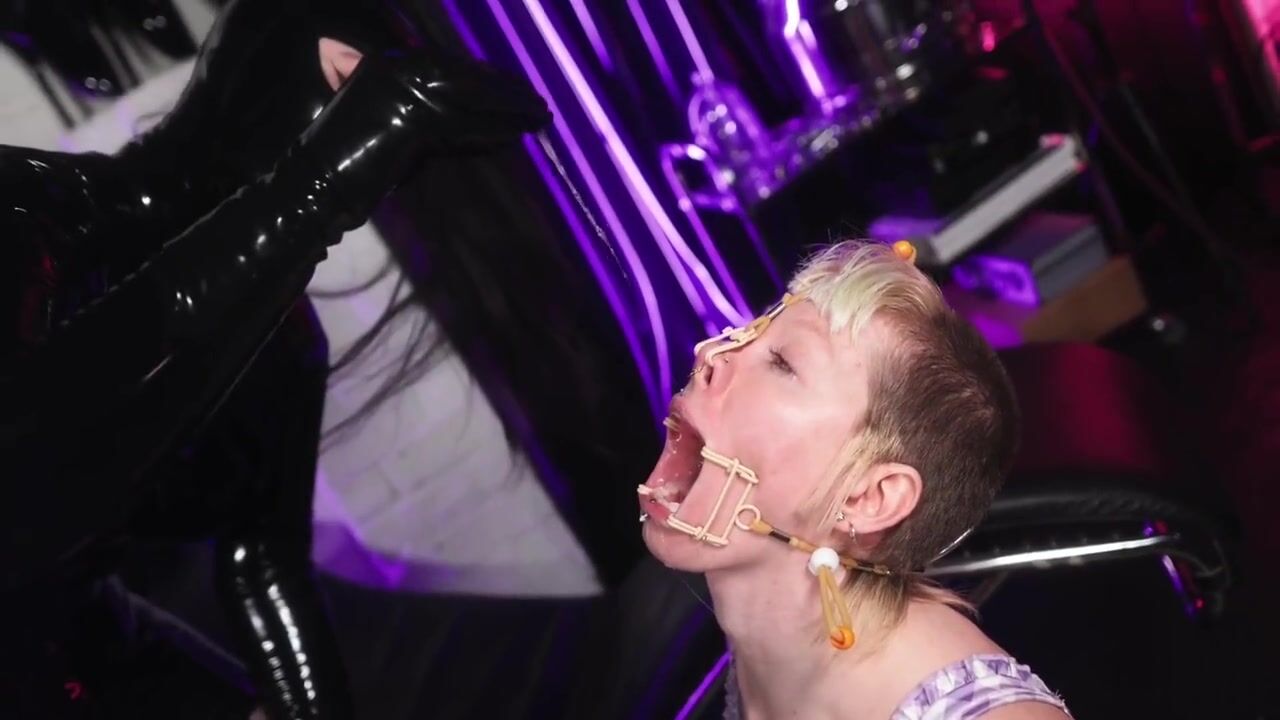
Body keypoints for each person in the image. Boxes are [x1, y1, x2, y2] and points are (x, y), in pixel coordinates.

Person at [0, 0, 549, 715]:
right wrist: (313, 193)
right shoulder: (24, 209)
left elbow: (262, 563)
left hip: (68, 643)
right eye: (347, 90)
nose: (361, 139)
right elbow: (31, 448)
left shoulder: (284, 343)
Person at [638, 240, 1072, 719]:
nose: (711, 354)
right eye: (749, 333)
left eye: (783, 363)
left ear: (868, 498)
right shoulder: (767, 653)